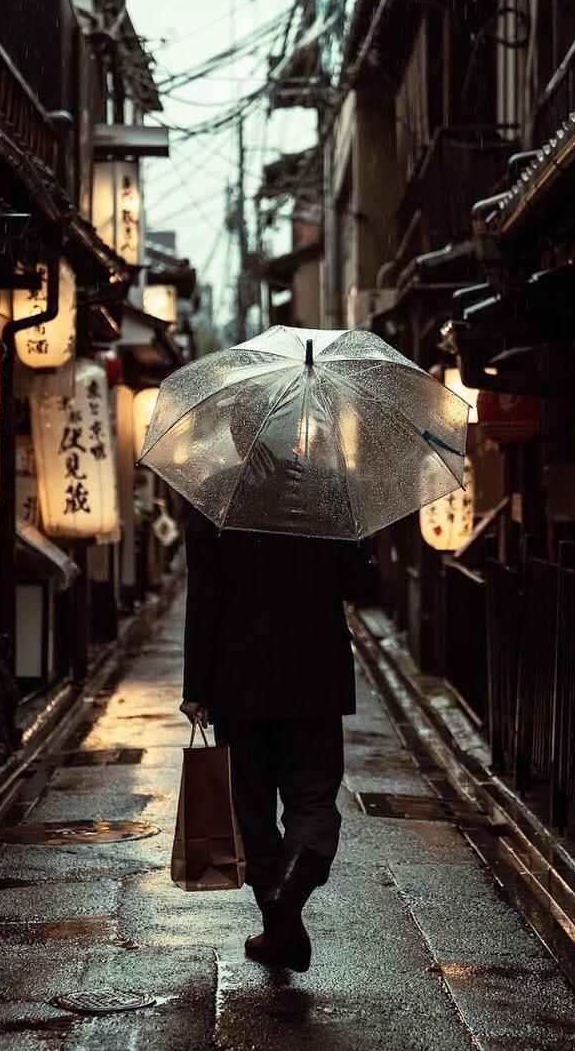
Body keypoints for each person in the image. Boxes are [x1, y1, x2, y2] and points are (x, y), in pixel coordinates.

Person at [178, 389, 372, 973]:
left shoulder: (215, 495)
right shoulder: (325, 490)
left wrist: (197, 685)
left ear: (239, 437)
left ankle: (278, 922)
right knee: (314, 799)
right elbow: (361, 585)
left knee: (254, 807)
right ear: (293, 431)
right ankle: (292, 893)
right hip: (315, 676)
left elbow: (203, 598)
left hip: (240, 679)